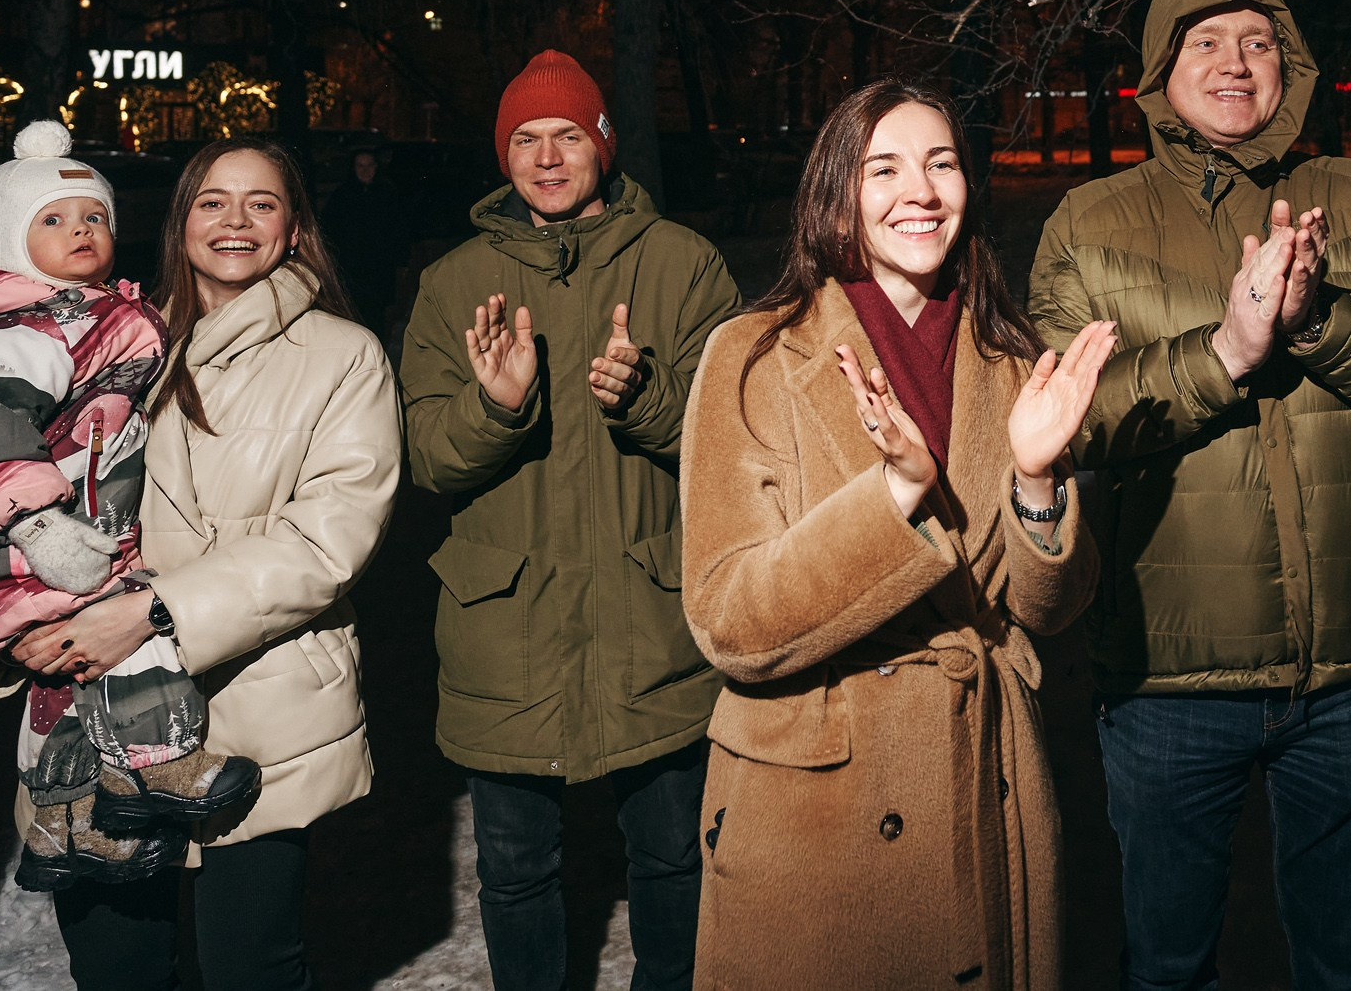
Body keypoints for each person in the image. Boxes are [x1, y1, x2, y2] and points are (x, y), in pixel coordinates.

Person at [1027, 0, 1351, 991]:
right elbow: (1068, 424)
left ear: (1293, 65)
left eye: (1259, 42)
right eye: (1205, 43)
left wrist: (1321, 320)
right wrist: (1226, 351)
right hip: (1166, 687)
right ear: (1157, 71)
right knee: (1168, 964)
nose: (1236, 63)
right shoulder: (1088, 223)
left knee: (1342, 965)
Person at [681, 80, 1117, 990]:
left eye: (941, 163)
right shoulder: (753, 356)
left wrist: (1038, 475)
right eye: (883, 167)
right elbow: (728, 616)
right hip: (815, 825)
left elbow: (1051, 608)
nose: (918, 190)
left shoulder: (1008, 362)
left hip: (981, 793)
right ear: (836, 196)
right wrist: (893, 497)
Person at [13, 138, 402, 991]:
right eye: (211, 201)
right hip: (96, 697)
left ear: (294, 230)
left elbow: (328, 538)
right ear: (180, 223)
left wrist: (152, 613)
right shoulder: (109, 345)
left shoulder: (342, 355)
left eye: (261, 202)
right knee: (115, 962)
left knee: (248, 967)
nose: (234, 219)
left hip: (255, 700)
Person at [402, 49, 741, 991]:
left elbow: (741, 440)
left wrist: (646, 396)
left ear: (604, 142)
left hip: (653, 617)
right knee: (515, 870)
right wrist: (497, 407)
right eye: (524, 139)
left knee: (675, 854)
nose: (547, 158)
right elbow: (428, 455)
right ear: (501, 156)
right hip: (504, 628)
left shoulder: (682, 262)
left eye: (567, 135)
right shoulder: (452, 281)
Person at [0, 119, 257, 889]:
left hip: (61, 532)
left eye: (94, 216)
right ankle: (161, 764)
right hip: (12, 541)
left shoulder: (84, 313)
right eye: (52, 221)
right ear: (5, 241)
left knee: (64, 678)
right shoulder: (9, 330)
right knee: (129, 633)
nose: (81, 230)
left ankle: (67, 822)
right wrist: (34, 524)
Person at [322, 145, 409, 337]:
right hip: (350, 271)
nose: (365, 170)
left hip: (378, 271)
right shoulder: (342, 196)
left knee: (376, 320)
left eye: (370, 165)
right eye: (360, 166)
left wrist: (401, 263)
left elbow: (399, 231)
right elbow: (329, 232)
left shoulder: (387, 194)